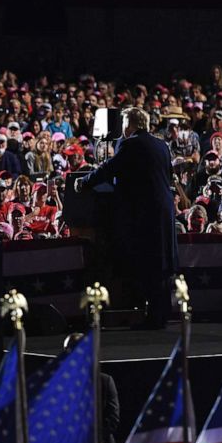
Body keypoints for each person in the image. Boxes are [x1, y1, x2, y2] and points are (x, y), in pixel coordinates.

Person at [77, 107, 176, 328]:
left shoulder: (130, 144)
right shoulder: (161, 144)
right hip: (164, 210)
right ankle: (161, 314)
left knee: (148, 261)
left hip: (144, 212)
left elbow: (110, 168)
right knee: (160, 262)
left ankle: (153, 318)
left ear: (129, 124)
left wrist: (84, 181)